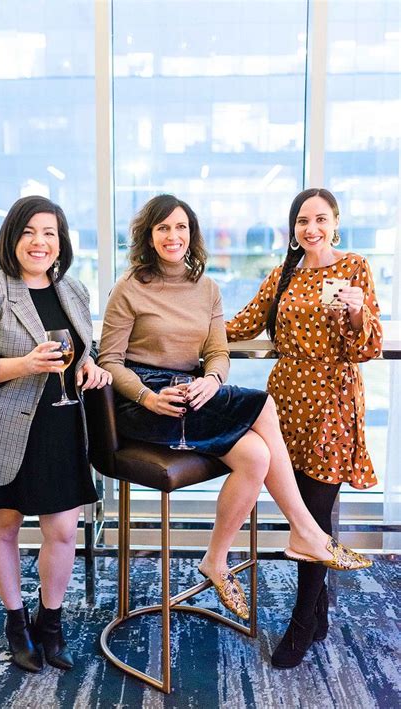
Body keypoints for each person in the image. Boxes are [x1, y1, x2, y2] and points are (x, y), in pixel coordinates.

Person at [98, 193, 371, 630]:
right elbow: (109, 361)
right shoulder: (129, 287)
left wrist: (212, 378)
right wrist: (148, 397)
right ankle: (307, 532)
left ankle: (216, 560)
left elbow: (217, 350)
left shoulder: (207, 287)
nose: (173, 236)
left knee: (257, 456)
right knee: (262, 402)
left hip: (193, 394)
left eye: (181, 227)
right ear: (148, 236)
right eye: (163, 228)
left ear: (193, 234)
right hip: (147, 402)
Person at [0, 196, 112, 673]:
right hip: (0, 429)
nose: (40, 242)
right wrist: (24, 365)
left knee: (62, 530)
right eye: (30, 232)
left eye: (50, 233)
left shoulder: (73, 288)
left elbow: (83, 347)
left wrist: (90, 365)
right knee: (6, 528)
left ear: (61, 242)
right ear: (13, 237)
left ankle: (50, 624)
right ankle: (16, 623)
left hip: (60, 426)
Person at [226, 187, 382, 668]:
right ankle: (318, 614)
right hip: (287, 400)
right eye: (301, 222)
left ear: (335, 222)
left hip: (332, 401)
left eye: (319, 219)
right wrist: (181, 325)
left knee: (311, 519)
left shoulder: (354, 268)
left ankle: (300, 626)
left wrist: (357, 311)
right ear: (293, 229)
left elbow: (368, 347)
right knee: (300, 511)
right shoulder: (284, 274)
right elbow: (242, 325)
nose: (310, 229)